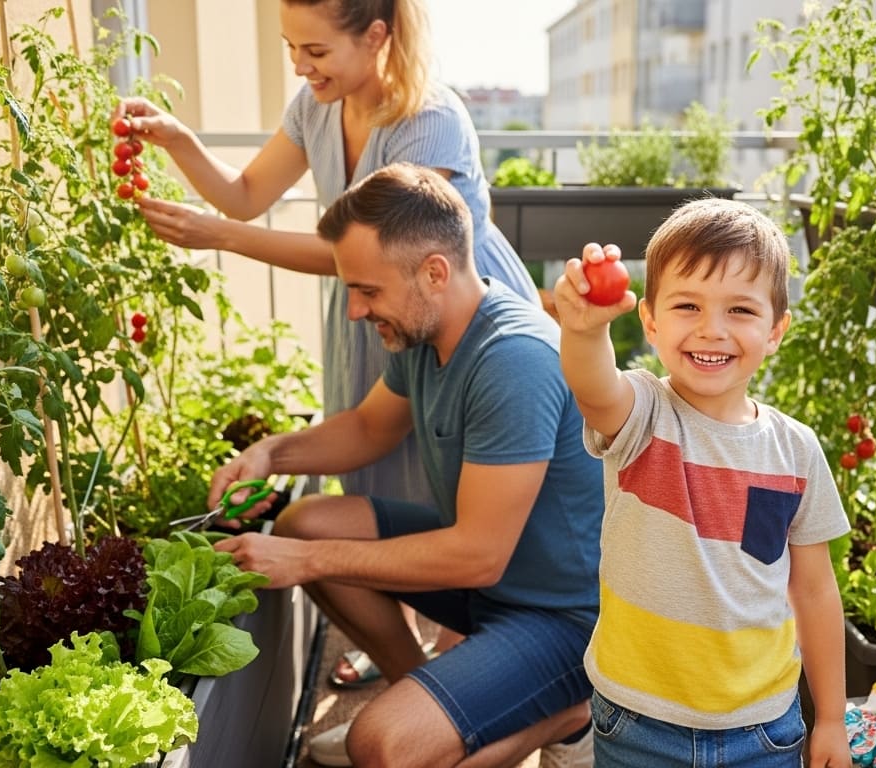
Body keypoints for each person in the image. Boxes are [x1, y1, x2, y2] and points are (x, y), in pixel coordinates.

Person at [114, 0, 539, 685]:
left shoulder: (429, 119)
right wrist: (179, 141)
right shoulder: (316, 106)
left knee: (458, 487)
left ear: (375, 35)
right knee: (378, 468)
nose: (299, 66)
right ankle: (413, 666)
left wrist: (221, 238)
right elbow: (246, 194)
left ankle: (464, 657)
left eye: (315, 51)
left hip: (437, 306)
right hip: (377, 305)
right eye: (291, 47)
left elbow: (385, 256)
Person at [210, 163, 600, 768]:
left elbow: (478, 555)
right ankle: (427, 699)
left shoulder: (514, 360)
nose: (354, 311)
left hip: (565, 619)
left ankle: (571, 717)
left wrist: (307, 563)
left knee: (383, 746)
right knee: (305, 524)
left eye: (368, 291)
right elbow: (370, 428)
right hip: (489, 583)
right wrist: (271, 453)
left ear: (434, 272)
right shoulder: (428, 330)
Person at [552, 198, 853, 767]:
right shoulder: (643, 415)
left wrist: (832, 719)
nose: (711, 330)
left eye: (740, 310)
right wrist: (584, 330)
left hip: (763, 728)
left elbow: (814, 591)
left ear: (776, 330)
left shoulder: (795, 451)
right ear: (651, 321)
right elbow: (594, 388)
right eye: (687, 305)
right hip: (637, 722)